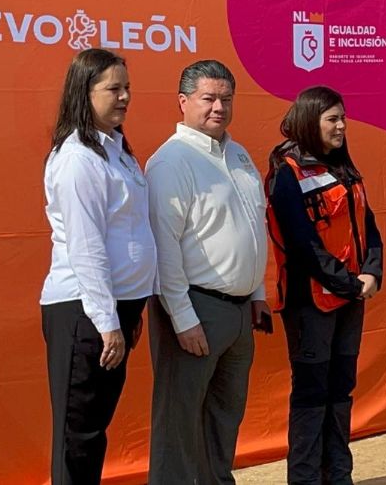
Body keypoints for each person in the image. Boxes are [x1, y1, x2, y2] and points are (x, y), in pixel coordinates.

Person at [146, 60, 271, 484]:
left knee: (224, 418)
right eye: (208, 98)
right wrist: (183, 319)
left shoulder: (237, 153)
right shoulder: (171, 162)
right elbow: (164, 250)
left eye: (226, 99)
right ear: (183, 102)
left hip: (237, 315)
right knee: (178, 425)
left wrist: (256, 295)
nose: (219, 107)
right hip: (194, 310)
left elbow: (253, 226)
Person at [40, 48, 156, 484]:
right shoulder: (77, 159)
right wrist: (108, 322)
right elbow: (86, 247)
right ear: (83, 93)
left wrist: (133, 309)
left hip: (114, 310)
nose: (125, 96)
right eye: (113, 88)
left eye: (127, 88)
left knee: (93, 431)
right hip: (84, 312)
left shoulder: (118, 151)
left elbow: (132, 233)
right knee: (77, 435)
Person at [265, 86, 383, 485]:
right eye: (332, 119)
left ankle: (339, 475)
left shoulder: (343, 167)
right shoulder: (288, 173)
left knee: (341, 391)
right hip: (311, 303)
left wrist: (373, 272)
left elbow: (369, 228)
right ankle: (305, 479)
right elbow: (301, 245)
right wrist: (350, 283)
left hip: (350, 299)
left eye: (343, 118)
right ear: (309, 120)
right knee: (312, 395)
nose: (341, 126)